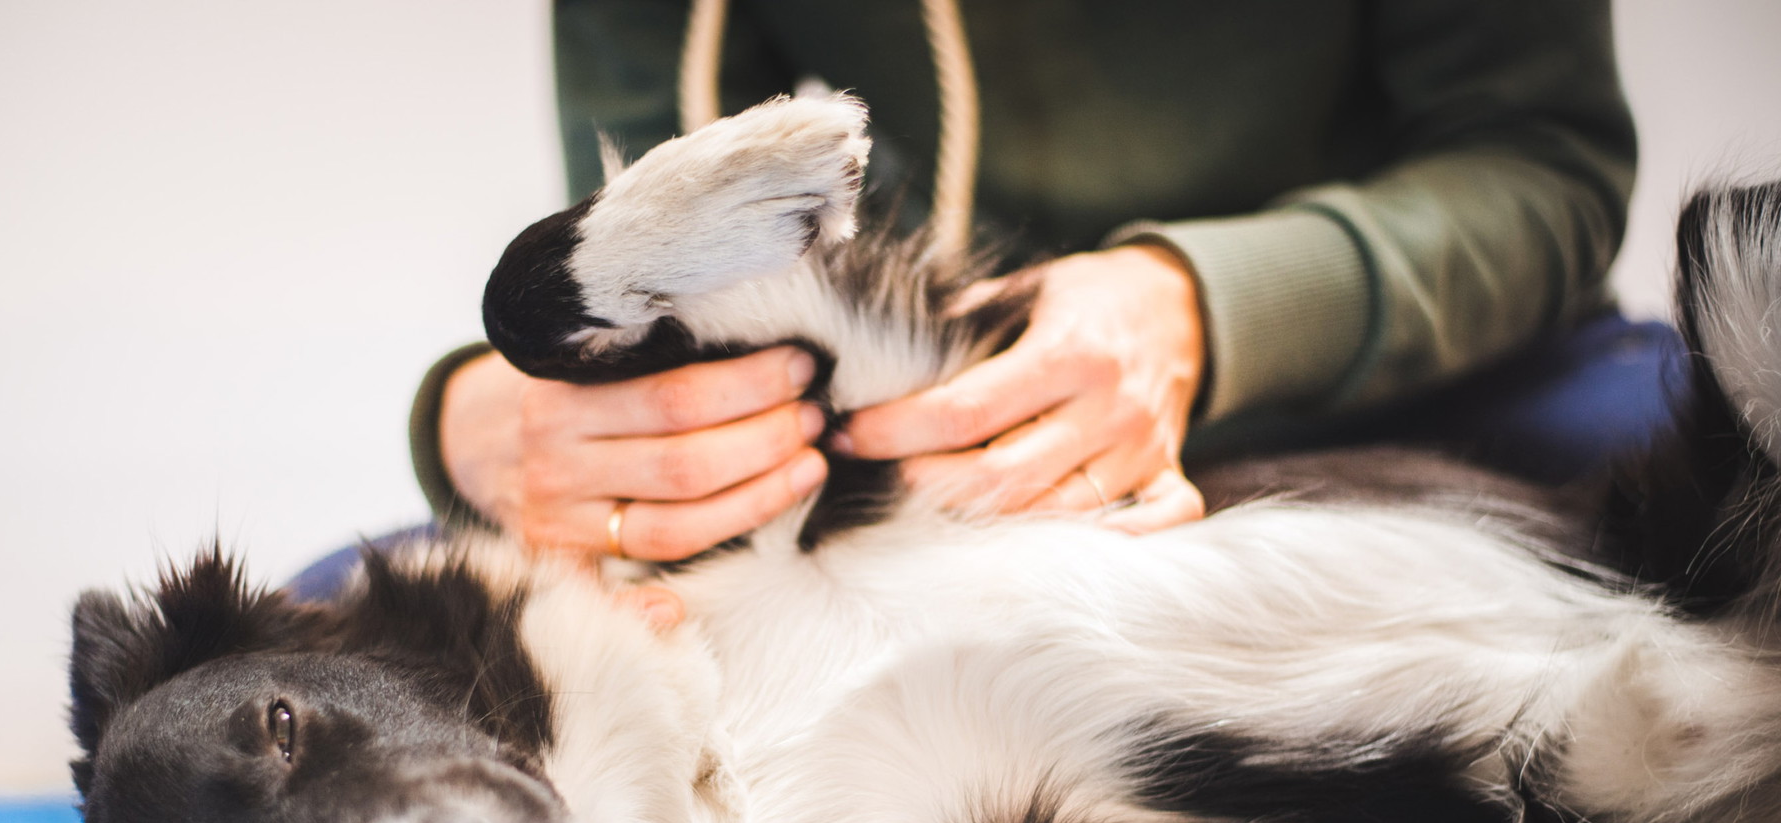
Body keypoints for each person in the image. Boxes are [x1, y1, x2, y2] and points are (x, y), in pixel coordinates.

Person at [400, 0, 1640, 569]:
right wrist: (478, 423)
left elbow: (1541, 164)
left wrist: (1202, 310)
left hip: (1422, 394)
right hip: (922, 472)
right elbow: (667, 253)